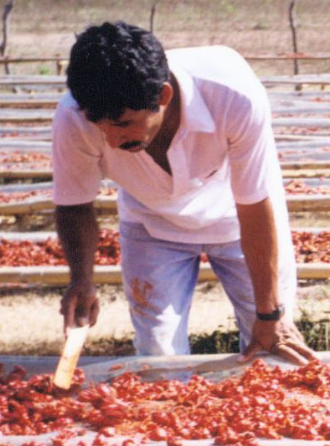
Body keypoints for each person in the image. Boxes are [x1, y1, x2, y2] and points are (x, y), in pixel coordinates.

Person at [53, 21, 316, 364]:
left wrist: (268, 315)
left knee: (268, 342)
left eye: (123, 124)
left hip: (237, 218)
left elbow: (253, 204)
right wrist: (81, 280)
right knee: (157, 351)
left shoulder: (233, 96)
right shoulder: (74, 117)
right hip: (152, 223)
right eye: (100, 128)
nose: (113, 141)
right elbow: (75, 203)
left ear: (163, 96)